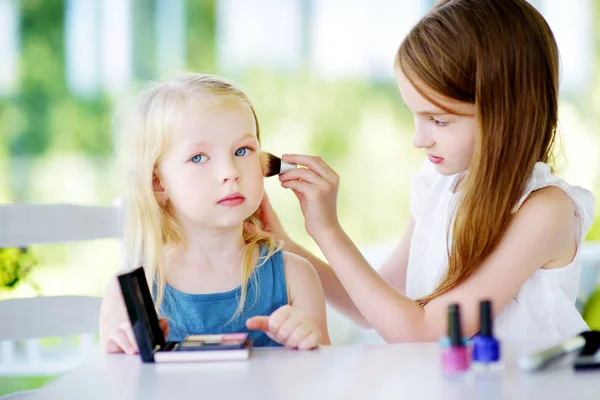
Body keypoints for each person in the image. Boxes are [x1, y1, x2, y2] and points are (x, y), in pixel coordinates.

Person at [259, 0, 594, 342]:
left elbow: (422, 331)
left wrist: (328, 230)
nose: (419, 139)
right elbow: (371, 306)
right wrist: (282, 244)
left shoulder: (545, 211)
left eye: (438, 120)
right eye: (414, 114)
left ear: (506, 114)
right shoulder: (441, 183)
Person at [99, 73, 330, 354]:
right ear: (158, 184)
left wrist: (308, 345)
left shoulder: (297, 276)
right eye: (198, 157)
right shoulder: (132, 295)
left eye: (242, 150)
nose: (230, 172)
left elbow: (321, 381)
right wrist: (122, 357)